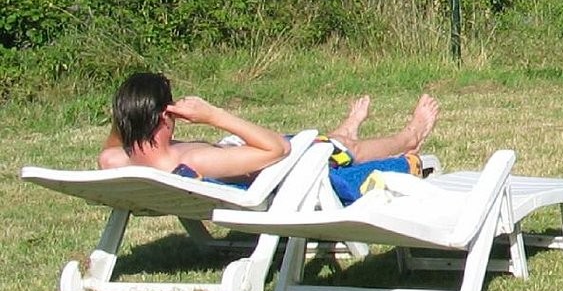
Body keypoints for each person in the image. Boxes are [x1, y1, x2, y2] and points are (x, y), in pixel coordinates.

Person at [100, 71, 439, 189]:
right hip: (285, 168)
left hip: (243, 151)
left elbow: (112, 145)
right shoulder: (195, 161)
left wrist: (128, 109)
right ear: (166, 114)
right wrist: (212, 114)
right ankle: (410, 135)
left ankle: (346, 128)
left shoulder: (117, 160)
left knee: (332, 140)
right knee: (345, 151)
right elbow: (278, 149)